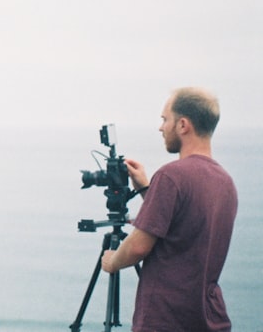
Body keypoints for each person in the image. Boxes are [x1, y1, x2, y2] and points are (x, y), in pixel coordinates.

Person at [101, 87, 238, 332]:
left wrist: (112, 262)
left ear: (183, 125)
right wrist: (146, 188)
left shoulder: (171, 175)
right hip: (209, 318)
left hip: (166, 319)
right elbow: (183, 222)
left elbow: (138, 246)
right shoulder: (225, 182)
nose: (161, 127)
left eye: (165, 119)